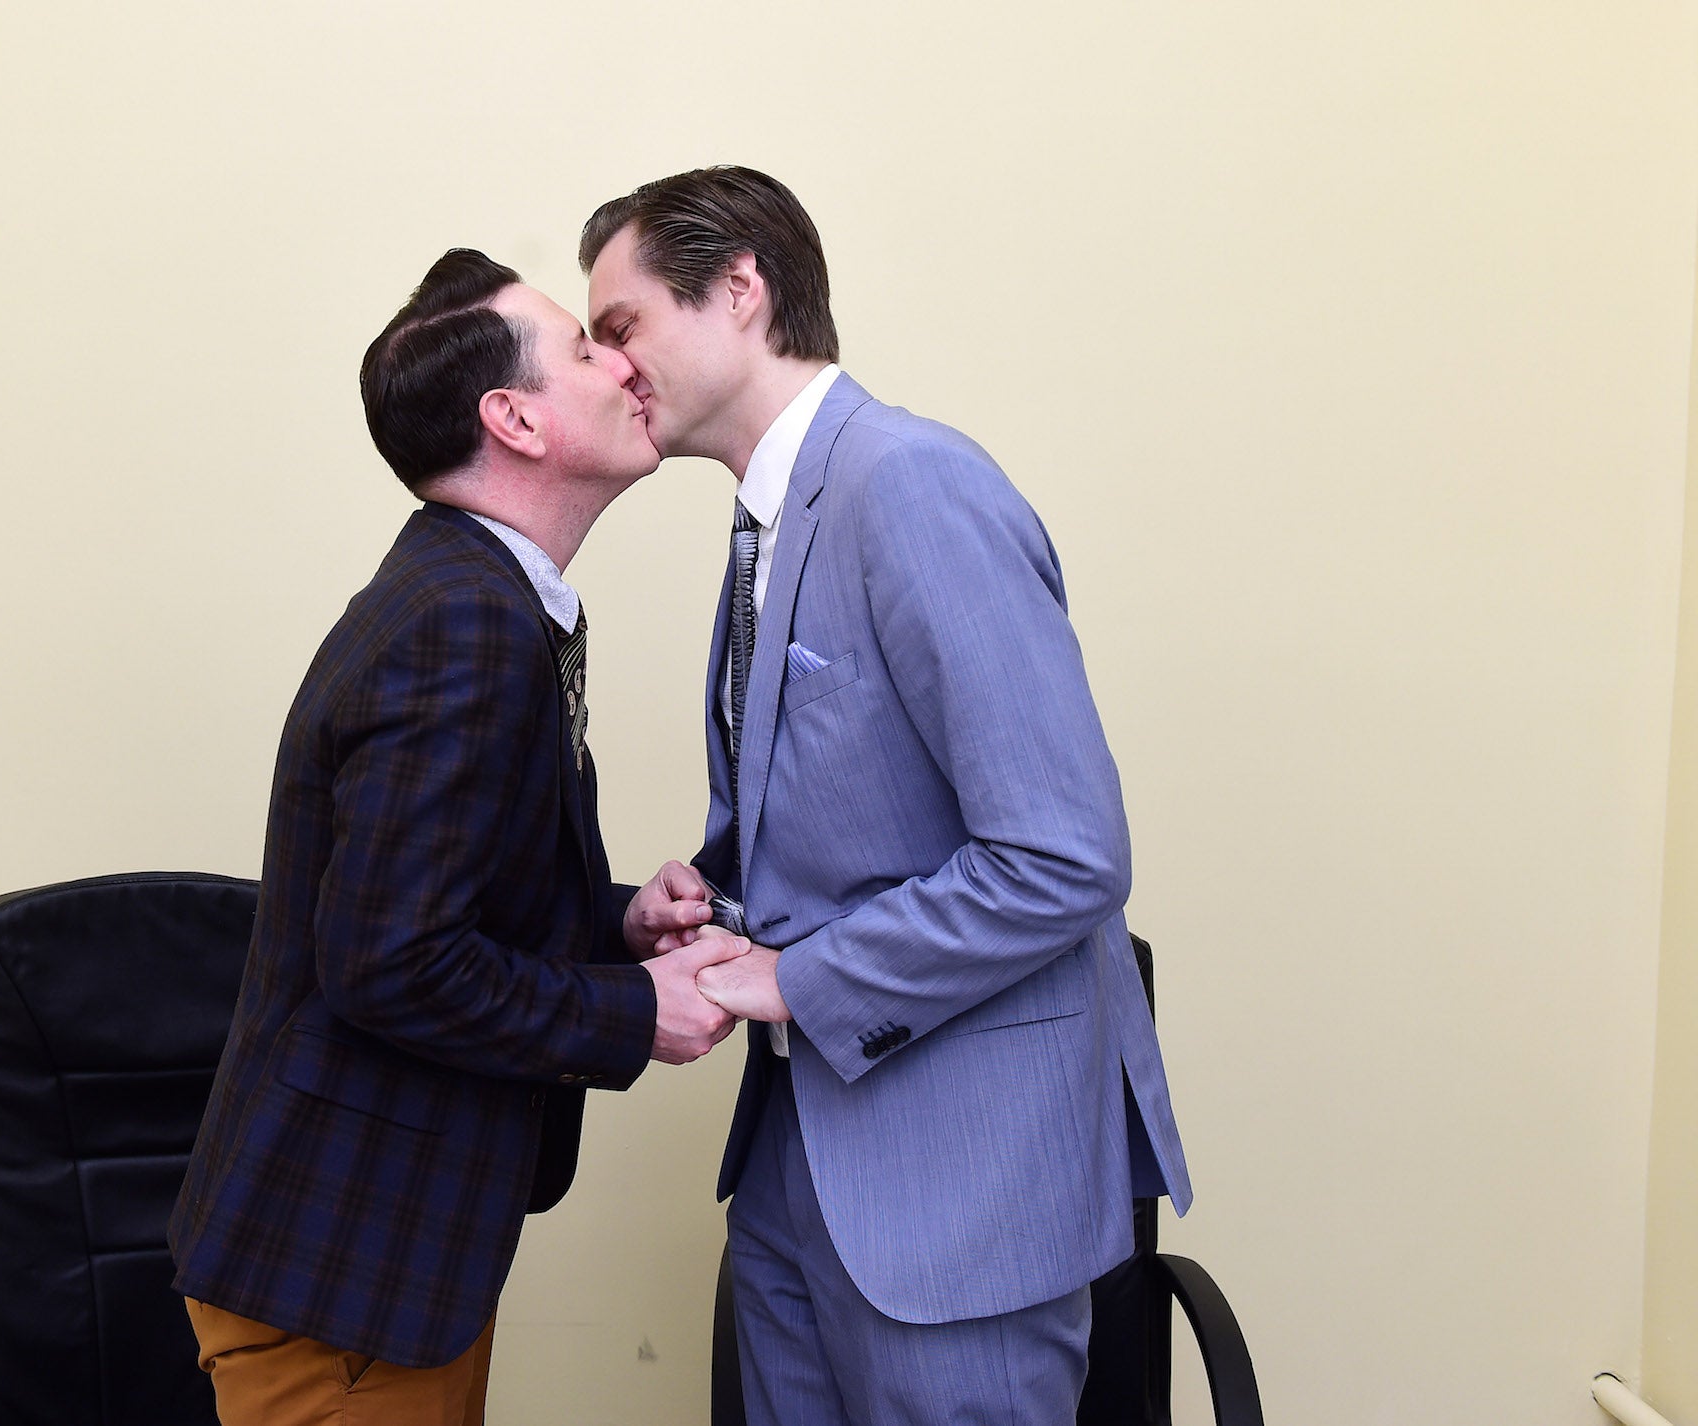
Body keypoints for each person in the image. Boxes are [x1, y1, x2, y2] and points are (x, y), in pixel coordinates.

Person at [580, 168, 1194, 1426]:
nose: (605, 367)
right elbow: (861, 833)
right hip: (796, 1160)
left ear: (740, 287)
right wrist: (723, 909)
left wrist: (797, 978)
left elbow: (1063, 853)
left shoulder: (907, 482)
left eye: (620, 325)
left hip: (950, 1191)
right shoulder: (771, 521)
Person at [167, 248, 738, 1426]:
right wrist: (637, 1010)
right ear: (513, 418)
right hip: (338, 1290)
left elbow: (425, 897)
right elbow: (389, 962)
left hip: (381, 1270)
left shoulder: (474, 592)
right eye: (585, 348)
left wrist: (612, 923)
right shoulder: (463, 624)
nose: (621, 361)